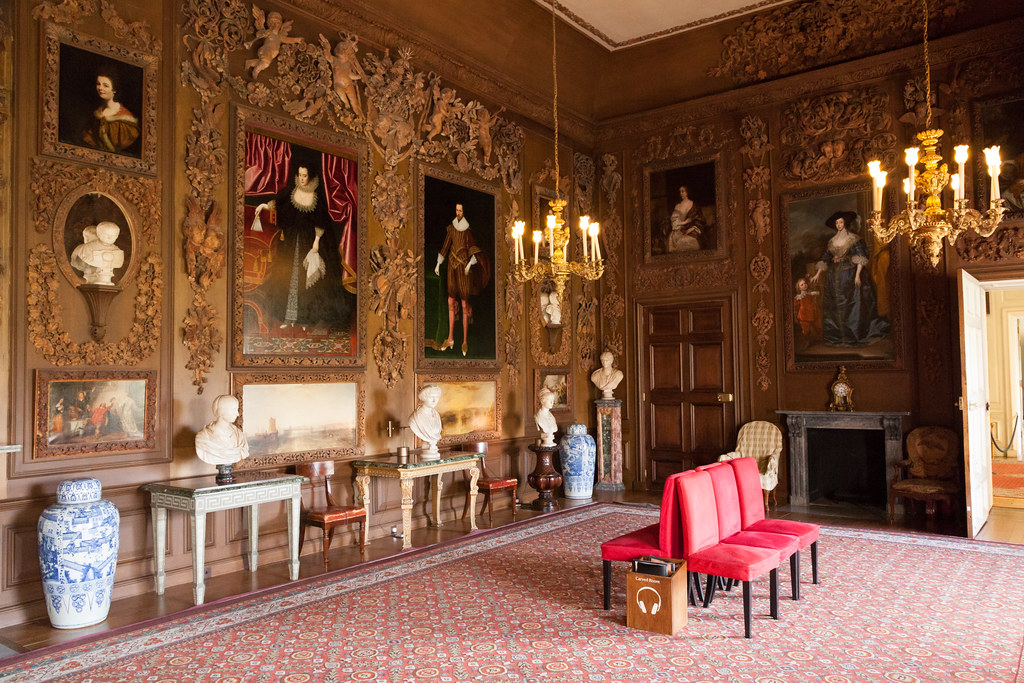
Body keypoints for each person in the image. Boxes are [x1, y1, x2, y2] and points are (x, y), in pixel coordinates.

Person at [251, 164, 352, 332]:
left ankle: (304, 319)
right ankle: (287, 318)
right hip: (290, 243)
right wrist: (264, 206)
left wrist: (316, 242)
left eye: (305, 176)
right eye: (300, 175)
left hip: (307, 242)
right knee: (288, 278)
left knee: (305, 283)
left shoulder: (316, 198)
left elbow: (320, 221)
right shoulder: (292, 192)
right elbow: (279, 204)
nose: (302, 179)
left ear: (311, 176)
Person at [809, 211, 890, 346]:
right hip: (834, 277)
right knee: (835, 306)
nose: (838, 224)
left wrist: (857, 275)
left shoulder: (854, 239)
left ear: (845, 223)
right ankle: (840, 336)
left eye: (840, 222)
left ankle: (853, 335)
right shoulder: (832, 241)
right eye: (836, 222)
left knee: (851, 305)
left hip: (850, 274)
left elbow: (860, 257)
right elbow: (825, 258)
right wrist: (817, 274)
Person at [434, 203, 491, 356]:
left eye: (460, 210)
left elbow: (473, 249)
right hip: (452, 267)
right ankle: (450, 338)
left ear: (464, 212)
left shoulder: (467, 231)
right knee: (450, 301)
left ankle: (464, 342)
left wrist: (470, 265)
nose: (458, 212)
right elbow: (446, 246)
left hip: (464, 267)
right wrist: (438, 264)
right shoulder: (451, 229)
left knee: (464, 304)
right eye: (457, 210)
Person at [81, 71, 139, 154]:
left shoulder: (127, 119)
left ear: (114, 89)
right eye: (98, 84)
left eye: (105, 85)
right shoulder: (97, 112)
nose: (100, 88)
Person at [244, 9, 303, 80]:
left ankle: (250, 62)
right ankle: (256, 70)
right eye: (272, 22)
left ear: (280, 24)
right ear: (269, 24)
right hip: (266, 50)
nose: (275, 25)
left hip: (272, 54)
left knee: (263, 62)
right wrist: (264, 32)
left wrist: (297, 39)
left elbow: (288, 40)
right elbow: (259, 34)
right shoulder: (269, 33)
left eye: (277, 23)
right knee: (266, 62)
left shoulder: (279, 36)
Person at [195, 395, 249, 466]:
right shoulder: (203, 437)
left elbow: (243, 451)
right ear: (222, 411)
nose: (237, 414)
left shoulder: (239, 435)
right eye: (234, 409)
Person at [408, 385, 443, 459]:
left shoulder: (436, 414)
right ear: (424, 398)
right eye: (431, 397)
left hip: (434, 454)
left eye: (436, 397)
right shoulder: (415, 418)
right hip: (427, 456)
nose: (434, 400)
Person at [667, 185, 704, 252]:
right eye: (680, 192)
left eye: (683, 191)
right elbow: (674, 220)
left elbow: (699, 220)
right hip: (677, 230)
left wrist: (690, 229)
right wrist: (679, 225)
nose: (681, 193)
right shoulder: (677, 205)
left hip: (691, 230)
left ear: (687, 192)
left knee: (686, 241)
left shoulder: (693, 205)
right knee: (671, 241)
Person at [794, 277, 822, 341]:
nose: (804, 285)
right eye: (802, 284)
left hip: (813, 312)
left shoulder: (811, 293)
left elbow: (818, 293)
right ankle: (807, 341)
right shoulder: (798, 297)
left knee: (817, 326)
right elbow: (795, 308)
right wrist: (795, 316)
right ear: (799, 288)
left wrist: (816, 289)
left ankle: (819, 338)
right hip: (804, 315)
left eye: (805, 283)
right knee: (805, 329)